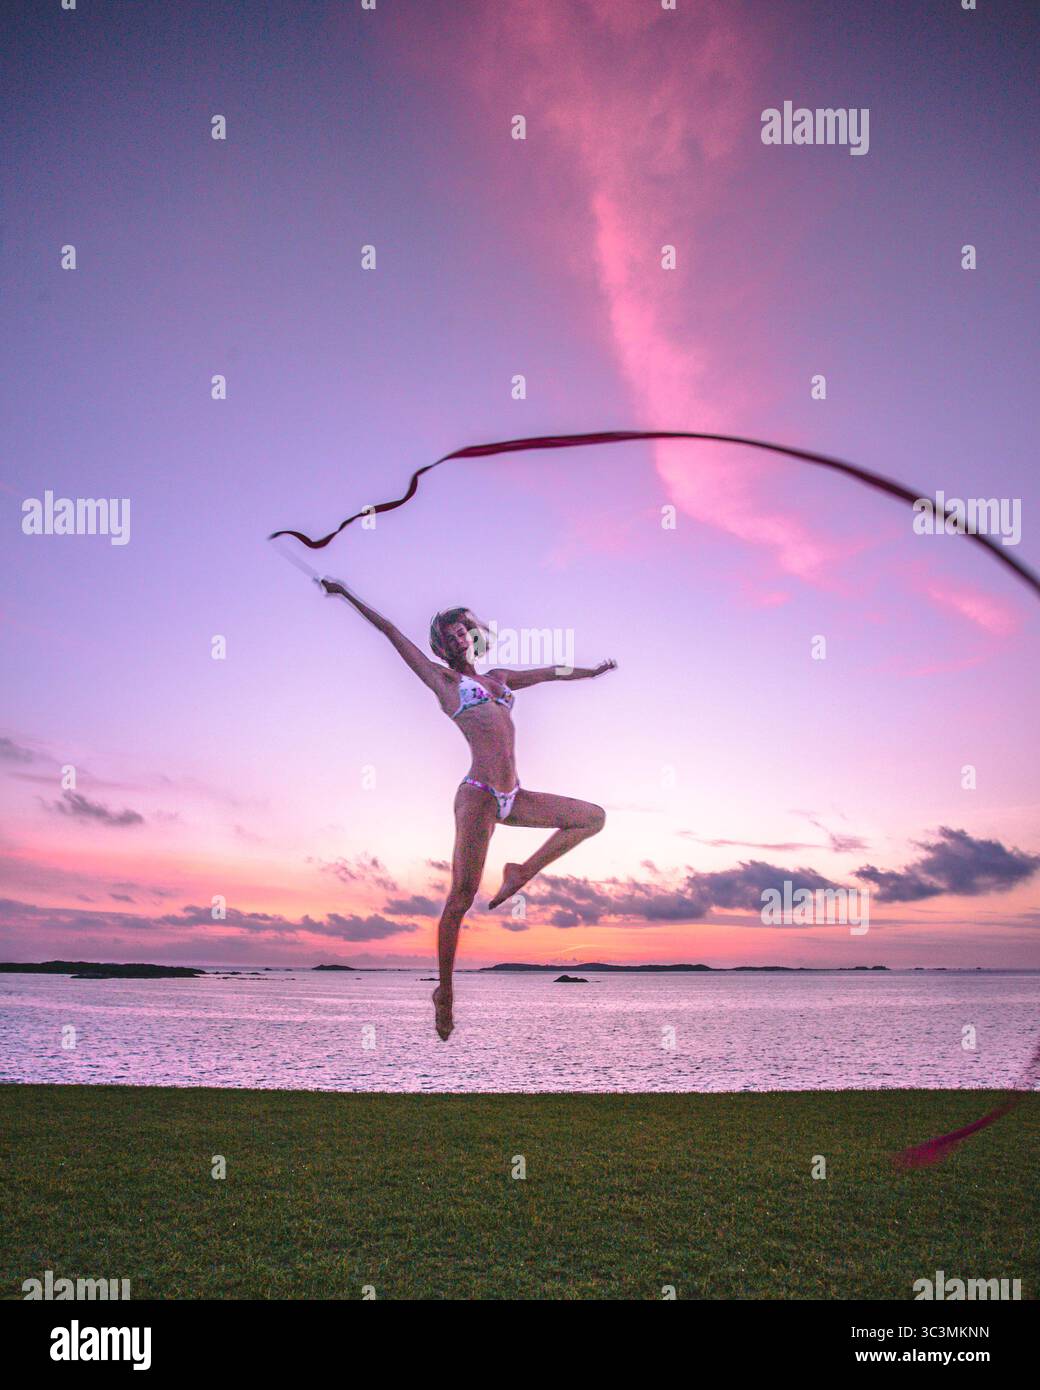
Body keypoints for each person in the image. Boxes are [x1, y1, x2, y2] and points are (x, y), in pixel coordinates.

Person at [318, 578, 616, 1039]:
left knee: (591, 817)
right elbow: (391, 631)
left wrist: (591, 673)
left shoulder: (498, 679)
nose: (460, 638)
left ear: (473, 634)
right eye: (451, 634)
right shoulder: (445, 680)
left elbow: (548, 672)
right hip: (477, 793)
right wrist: (345, 593)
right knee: (461, 898)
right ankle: (446, 993)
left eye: (464, 630)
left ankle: (521, 871)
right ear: (442, 644)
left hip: (514, 795)